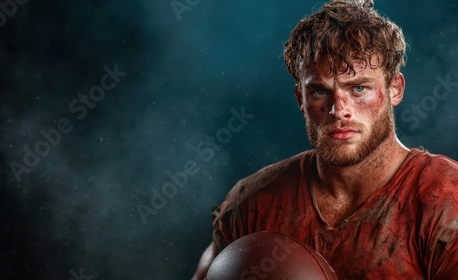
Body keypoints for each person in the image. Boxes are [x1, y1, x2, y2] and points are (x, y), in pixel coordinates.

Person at [192, 0, 458, 279]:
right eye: (319, 91)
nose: (338, 110)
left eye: (358, 88)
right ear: (300, 99)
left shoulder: (445, 203)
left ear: (395, 89)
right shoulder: (252, 203)